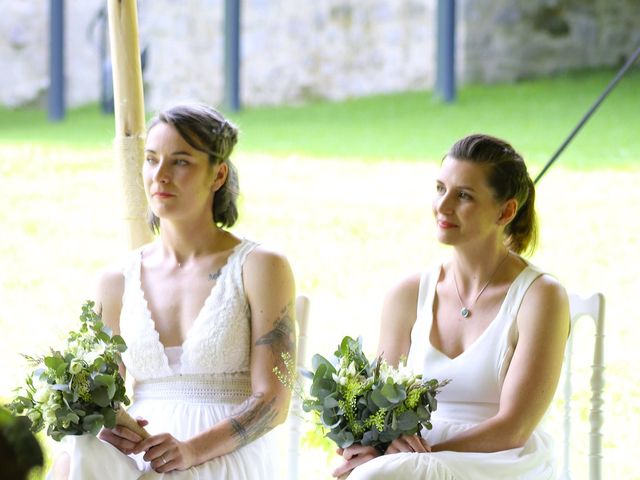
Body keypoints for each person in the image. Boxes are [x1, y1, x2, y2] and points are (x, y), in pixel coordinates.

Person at [51, 103, 296, 479]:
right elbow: (101, 399)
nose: (160, 175)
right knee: (77, 454)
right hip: (140, 453)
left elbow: (274, 402)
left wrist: (190, 450)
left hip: (225, 452)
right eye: (152, 160)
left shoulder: (260, 267)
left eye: (180, 162)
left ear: (218, 175)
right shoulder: (116, 281)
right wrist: (112, 427)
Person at [333, 134, 570, 480]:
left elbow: (513, 428)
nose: (443, 207)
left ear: (505, 211)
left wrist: (408, 461)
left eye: (463, 196)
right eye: (440, 188)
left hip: (499, 459)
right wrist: (373, 449)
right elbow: (377, 411)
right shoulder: (408, 294)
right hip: (416, 455)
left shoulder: (540, 297)